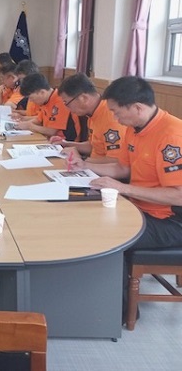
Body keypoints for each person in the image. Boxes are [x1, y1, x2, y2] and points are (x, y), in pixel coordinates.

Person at [70, 76, 182, 323]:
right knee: (85, 215)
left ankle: (116, 313)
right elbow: (122, 168)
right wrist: (85, 166)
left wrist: (123, 189)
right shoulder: (135, 128)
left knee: (110, 235)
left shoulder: (172, 136)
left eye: (117, 112)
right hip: (141, 207)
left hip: (171, 220)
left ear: (137, 108)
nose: (115, 119)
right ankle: (91, 295)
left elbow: (178, 194)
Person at [51, 73, 126, 163]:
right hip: (91, 165)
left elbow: (115, 161)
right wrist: (66, 144)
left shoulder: (111, 116)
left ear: (84, 98)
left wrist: (81, 159)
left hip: (100, 169)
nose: (67, 109)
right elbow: (94, 146)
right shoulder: (92, 113)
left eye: (66, 103)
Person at [14, 73, 86, 141]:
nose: (30, 101)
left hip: (65, 142)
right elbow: (38, 120)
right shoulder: (46, 100)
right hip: (49, 139)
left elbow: (52, 131)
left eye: (31, 98)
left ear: (42, 92)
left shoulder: (60, 100)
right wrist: (21, 124)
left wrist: (30, 126)